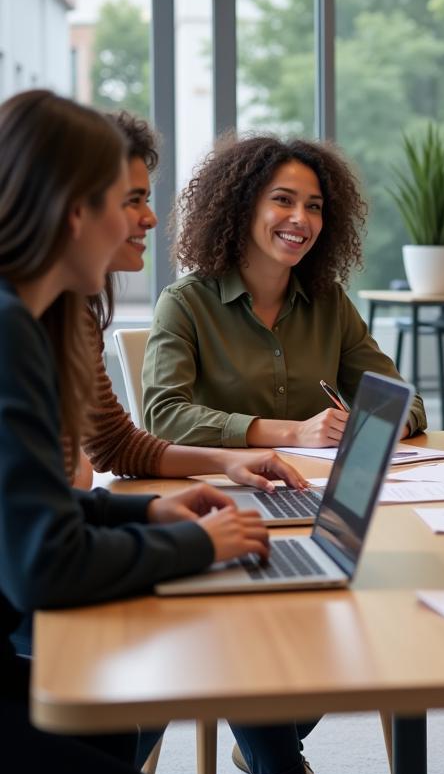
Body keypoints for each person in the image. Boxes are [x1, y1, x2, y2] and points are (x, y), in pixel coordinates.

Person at [0, 89, 269, 774]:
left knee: (119, 726)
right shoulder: (11, 331)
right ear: (72, 213)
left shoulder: (25, 318)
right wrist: (195, 544)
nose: (140, 222)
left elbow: (32, 508)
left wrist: (145, 508)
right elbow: (41, 562)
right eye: (124, 202)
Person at [70, 110, 312, 492]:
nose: (150, 218)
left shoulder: (74, 317)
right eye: (133, 200)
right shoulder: (21, 327)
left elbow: (113, 445)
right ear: (73, 206)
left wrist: (226, 461)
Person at [142, 134, 426, 447]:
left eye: (314, 206)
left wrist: (377, 428)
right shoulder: (185, 303)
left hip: (314, 486)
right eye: (283, 200)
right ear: (243, 206)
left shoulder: (330, 304)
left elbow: (404, 403)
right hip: (222, 488)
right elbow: (163, 417)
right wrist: (294, 433)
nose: (301, 219)